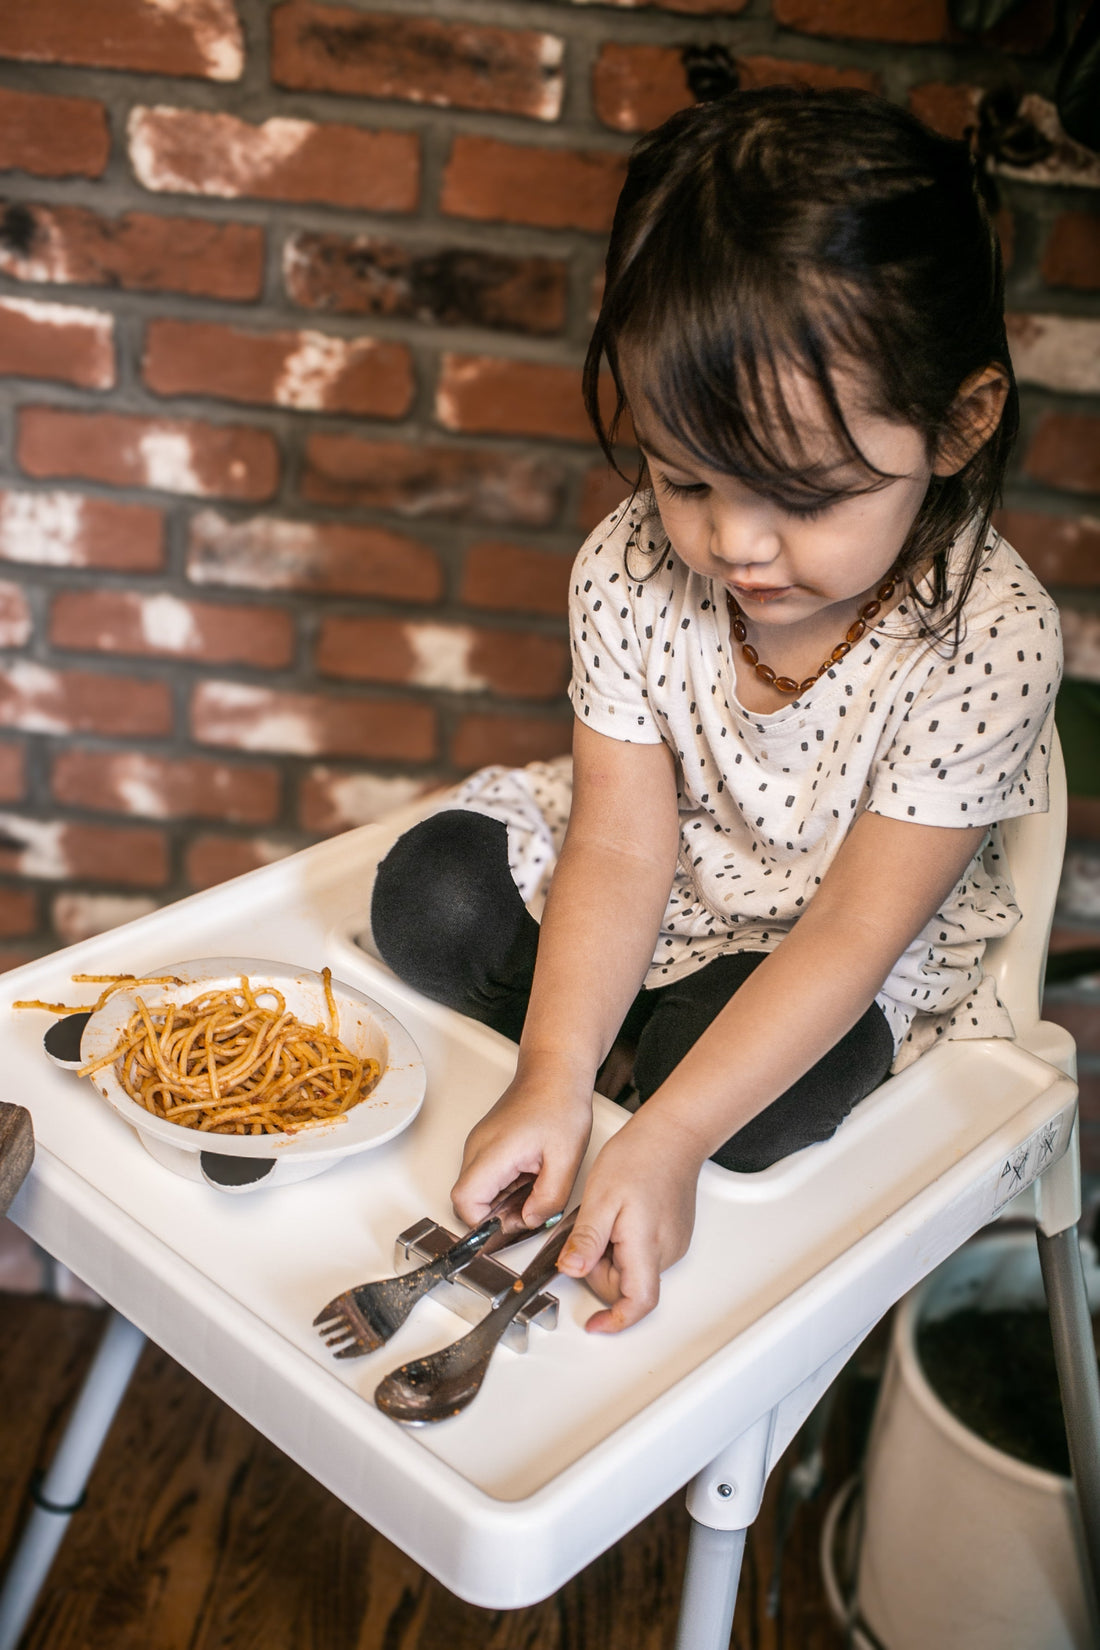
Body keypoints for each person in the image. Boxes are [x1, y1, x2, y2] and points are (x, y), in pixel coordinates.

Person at [369, 88, 1062, 1333]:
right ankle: (612, 1044)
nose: (732, 543)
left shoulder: (989, 640)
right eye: (684, 476)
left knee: (756, 1102)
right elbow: (623, 842)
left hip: (820, 933)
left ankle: (659, 1067)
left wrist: (672, 1137)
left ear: (957, 425)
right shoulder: (630, 566)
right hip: (662, 875)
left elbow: (851, 935)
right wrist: (548, 1079)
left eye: (801, 494)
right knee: (428, 895)